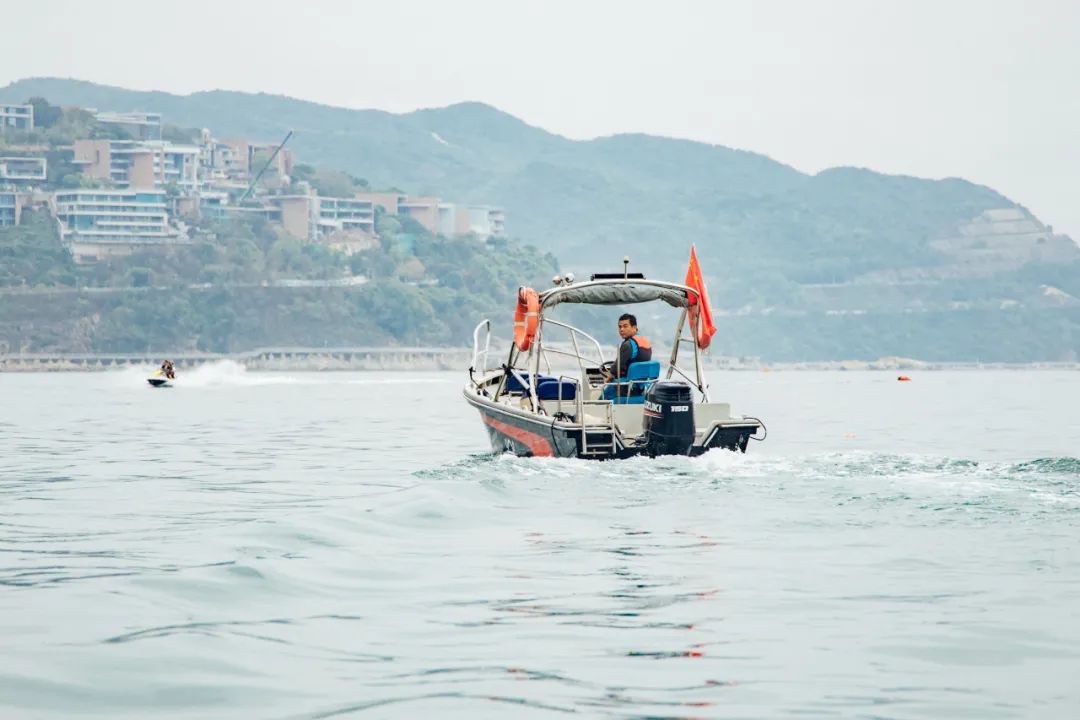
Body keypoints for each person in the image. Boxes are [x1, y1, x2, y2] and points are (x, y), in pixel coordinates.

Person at [602, 313, 651, 399]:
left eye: (625, 326)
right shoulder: (645, 342)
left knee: (601, 399)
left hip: (625, 387)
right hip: (641, 386)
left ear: (634, 327)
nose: (621, 329)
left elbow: (616, 369)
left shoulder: (627, 345)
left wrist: (609, 376)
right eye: (620, 327)